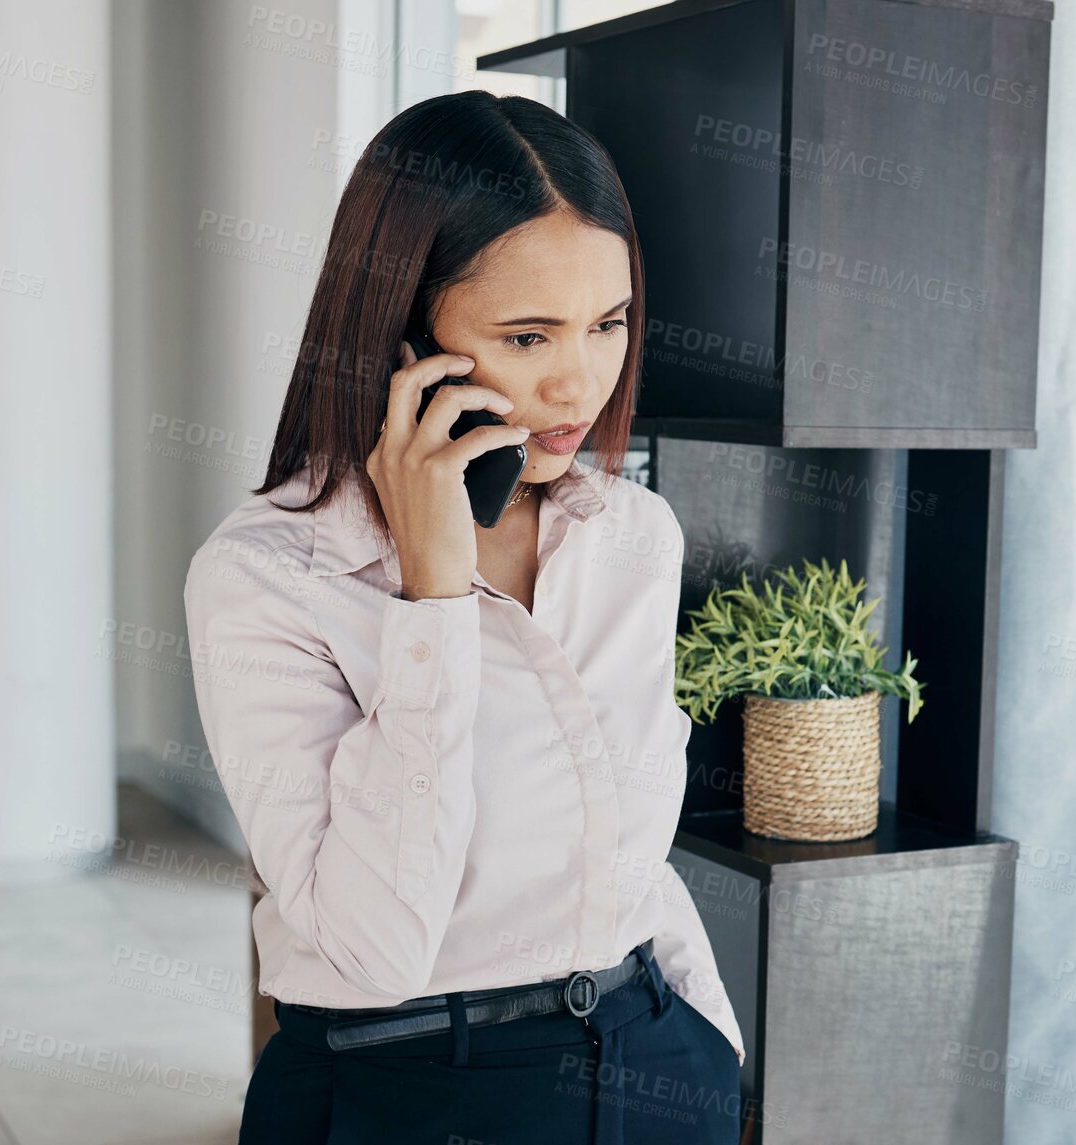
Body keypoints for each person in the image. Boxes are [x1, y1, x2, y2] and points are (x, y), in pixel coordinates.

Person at [183, 90, 744, 1144]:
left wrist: (705, 1043)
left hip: (651, 1064)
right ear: (403, 337)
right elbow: (372, 947)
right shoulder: (266, 577)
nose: (579, 379)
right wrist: (431, 599)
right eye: (527, 334)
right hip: (406, 1089)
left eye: (608, 322)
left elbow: (626, 853)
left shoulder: (632, 537)